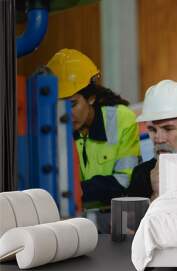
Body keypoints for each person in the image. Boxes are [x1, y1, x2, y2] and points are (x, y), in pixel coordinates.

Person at [47, 49, 141, 209]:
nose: (65, 114)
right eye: (59, 106)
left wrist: (78, 190)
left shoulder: (122, 119)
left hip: (113, 214)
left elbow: (126, 180)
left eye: (72, 104)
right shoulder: (52, 128)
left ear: (91, 98)